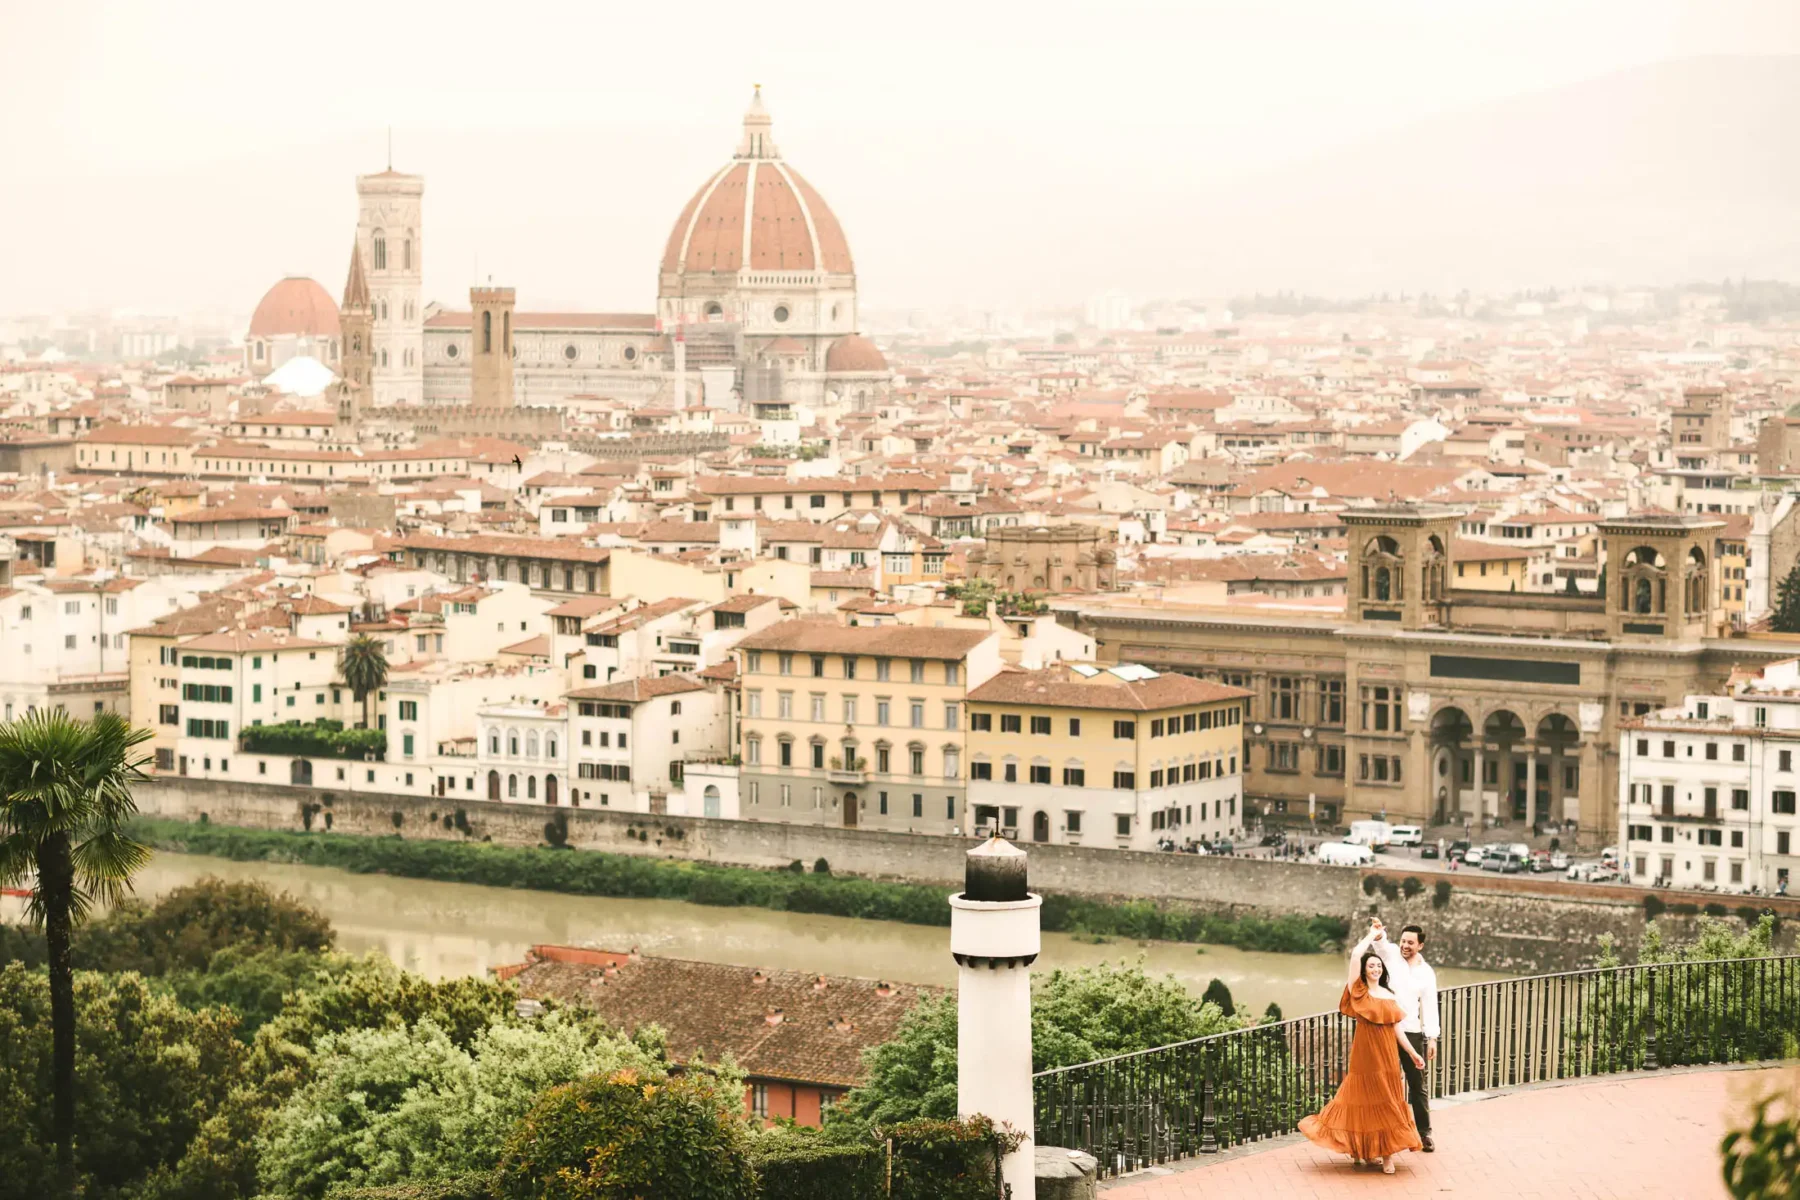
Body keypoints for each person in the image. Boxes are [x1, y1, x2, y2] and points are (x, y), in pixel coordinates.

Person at [1298, 919, 1424, 1174]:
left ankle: (1387, 1155)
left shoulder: (1389, 995)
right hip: (1365, 1057)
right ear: (1365, 970)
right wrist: (1372, 935)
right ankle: (1363, 1150)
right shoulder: (1359, 992)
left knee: (1388, 1101)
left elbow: (1396, 1028)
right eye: (1371, 966)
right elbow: (1356, 954)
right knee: (1362, 1101)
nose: (1375, 968)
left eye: (1378, 965)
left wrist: (1413, 1053)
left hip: (1387, 1057)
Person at [1394, 924, 1440, 1152]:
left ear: (1420, 945)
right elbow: (1379, 944)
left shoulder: (1426, 972)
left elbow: (1430, 1005)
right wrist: (1378, 932)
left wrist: (1432, 1038)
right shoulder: (1391, 958)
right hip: (1386, 1029)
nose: (1405, 946)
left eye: (1410, 942)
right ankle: (1389, 1133)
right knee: (1385, 1082)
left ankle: (1425, 1134)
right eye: (1403, 941)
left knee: (1418, 1084)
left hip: (1411, 1031)